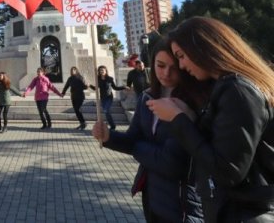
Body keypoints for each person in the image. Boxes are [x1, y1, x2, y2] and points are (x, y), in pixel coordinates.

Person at [148, 17, 274, 222]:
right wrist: (188, 115)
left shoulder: (238, 90)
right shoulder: (226, 87)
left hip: (247, 212)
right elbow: (220, 146)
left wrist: (178, 119)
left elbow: (228, 171)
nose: (181, 65)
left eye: (181, 56)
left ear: (203, 47)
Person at [93, 39, 204, 222]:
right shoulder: (147, 96)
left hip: (182, 201)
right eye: (160, 66)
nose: (166, 73)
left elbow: (171, 162)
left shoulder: (190, 102)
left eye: (174, 67)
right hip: (151, 195)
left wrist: (137, 147)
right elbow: (132, 138)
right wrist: (108, 137)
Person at [90, 66, 125, 130]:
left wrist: (124, 87)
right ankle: (112, 125)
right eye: (100, 70)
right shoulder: (98, 79)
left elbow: (115, 88)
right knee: (106, 112)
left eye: (103, 70)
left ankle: (112, 126)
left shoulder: (110, 79)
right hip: (103, 98)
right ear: (99, 71)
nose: (102, 71)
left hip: (109, 97)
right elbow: (96, 88)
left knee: (106, 111)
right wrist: (89, 85)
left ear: (106, 71)